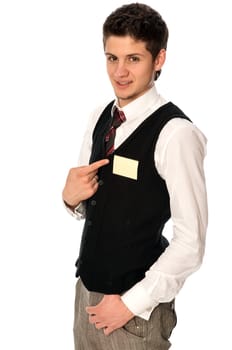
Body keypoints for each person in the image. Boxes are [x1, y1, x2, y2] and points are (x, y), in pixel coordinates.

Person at [62, 3, 208, 349]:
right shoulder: (101, 116)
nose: (120, 72)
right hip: (86, 294)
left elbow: (191, 243)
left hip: (135, 313)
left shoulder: (176, 134)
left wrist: (129, 304)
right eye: (112, 58)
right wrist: (70, 199)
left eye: (133, 59)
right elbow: (95, 203)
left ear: (158, 60)